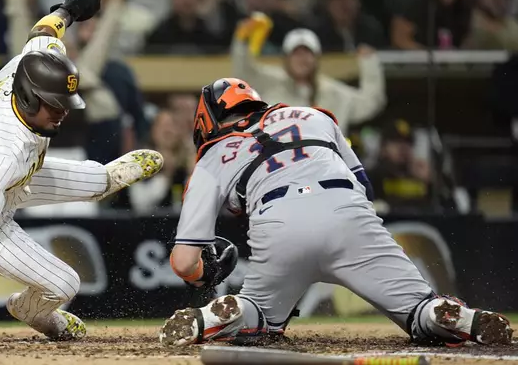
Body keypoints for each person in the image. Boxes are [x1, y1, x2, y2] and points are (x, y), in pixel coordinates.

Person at [159, 77, 512, 347]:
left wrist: (204, 274)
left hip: (280, 221)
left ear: (206, 120)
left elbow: (184, 261)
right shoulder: (314, 115)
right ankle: (451, 316)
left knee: (258, 313)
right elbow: (365, 186)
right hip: (348, 211)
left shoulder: (212, 155)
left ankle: (214, 317)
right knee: (419, 309)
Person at [0, 0, 163, 348]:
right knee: (65, 283)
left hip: (13, 176)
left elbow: (45, 30)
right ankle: (32, 311)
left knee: (100, 182)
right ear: (31, 98)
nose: (63, 114)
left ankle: (106, 179)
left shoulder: (38, 62)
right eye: (54, 106)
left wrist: (71, 6)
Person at [232, 19, 385, 133]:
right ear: (286, 59)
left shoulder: (333, 93)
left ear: (317, 59)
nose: (302, 59)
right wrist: (242, 41)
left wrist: (370, 64)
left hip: (324, 169)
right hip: (277, 168)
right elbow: (244, 73)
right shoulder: (269, 82)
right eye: (296, 53)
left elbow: (369, 103)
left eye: (307, 53)